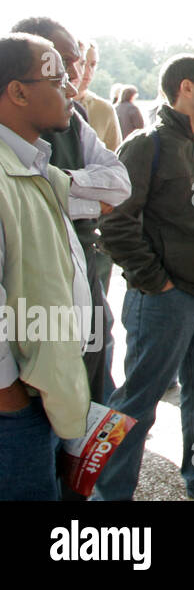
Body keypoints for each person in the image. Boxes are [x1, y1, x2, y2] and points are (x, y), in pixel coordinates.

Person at [95, 54, 194, 501]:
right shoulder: (146, 145)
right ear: (185, 88)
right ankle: (110, 496)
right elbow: (115, 222)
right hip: (164, 299)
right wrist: (156, 280)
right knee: (138, 402)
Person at [0, 34, 93, 500]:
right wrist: (11, 398)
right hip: (15, 409)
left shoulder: (31, 164)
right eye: (58, 80)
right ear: (17, 91)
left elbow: (114, 191)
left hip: (38, 398)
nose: (72, 90)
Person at [74, 41, 122, 151]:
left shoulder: (104, 109)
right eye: (82, 63)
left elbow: (114, 157)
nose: (88, 70)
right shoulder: (51, 105)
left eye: (93, 64)